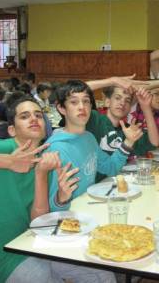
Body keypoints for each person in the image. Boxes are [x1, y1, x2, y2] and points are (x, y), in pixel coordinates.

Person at [0, 95, 116, 282]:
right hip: (5, 250)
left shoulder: (50, 159)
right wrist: (10, 161)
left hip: (32, 241)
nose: (33, 119)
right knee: (41, 276)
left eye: (38, 115)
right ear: (12, 130)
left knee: (101, 274)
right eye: (25, 116)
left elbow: (38, 220)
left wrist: (56, 193)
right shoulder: (5, 147)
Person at [46, 80, 143, 211]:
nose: (82, 107)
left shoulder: (89, 138)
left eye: (86, 101)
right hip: (70, 219)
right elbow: (51, 207)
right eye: (74, 102)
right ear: (62, 108)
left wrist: (129, 142)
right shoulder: (55, 149)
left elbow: (111, 168)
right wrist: (61, 199)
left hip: (90, 209)